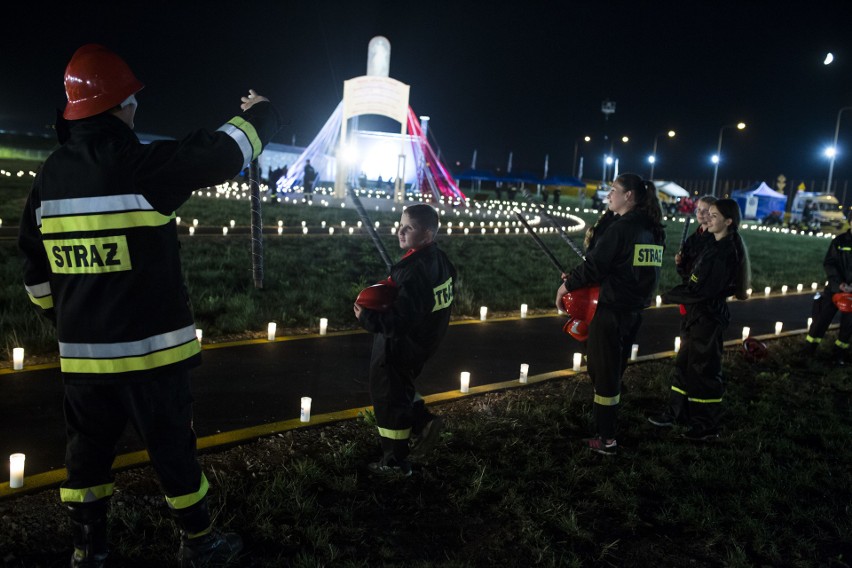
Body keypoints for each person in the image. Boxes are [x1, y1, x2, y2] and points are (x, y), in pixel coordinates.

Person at [17, 44, 281, 566]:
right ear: (119, 106)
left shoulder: (47, 179)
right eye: (133, 99)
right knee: (172, 453)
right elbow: (222, 154)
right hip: (151, 360)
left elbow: (34, 275)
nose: (137, 107)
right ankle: (200, 543)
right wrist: (262, 114)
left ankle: (88, 550)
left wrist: (72, 321)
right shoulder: (140, 166)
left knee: (86, 457)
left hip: (83, 362)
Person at [555, 173, 666, 455]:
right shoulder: (652, 227)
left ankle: (606, 439)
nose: (608, 195)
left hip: (610, 312)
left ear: (629, 196)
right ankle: (611, 420)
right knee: (613, 370)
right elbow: (629, 270)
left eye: (613, 190)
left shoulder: (622, 228)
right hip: (632, 312)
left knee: (604, 374)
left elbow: (595, 266)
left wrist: (566, 286)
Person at [354, 204, 456, 476]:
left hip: (400, 344)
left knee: (388, 398)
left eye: (408, 227)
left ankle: (395, 462)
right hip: (424, 342)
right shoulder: (440, 260)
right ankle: (423, 423)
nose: (399, 231)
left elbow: (401, 321)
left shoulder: (414, 271)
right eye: (400, 224)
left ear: (426, 233)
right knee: (400, 387)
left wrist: (368, 318)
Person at [649, 199, 751, 440]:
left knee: (704, 370)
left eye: (714, 215)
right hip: (697, 315)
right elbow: (695, 278)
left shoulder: (723, 251)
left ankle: (706, 426)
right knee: (685, 364)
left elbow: (703, 290)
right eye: (707, 213)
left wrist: (667, 295)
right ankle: (680, 413)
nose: (707, 218)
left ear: (728, 221)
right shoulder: (713, 244)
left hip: (707, 316)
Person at [801, 216, 852, 365]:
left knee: (848, 325)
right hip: (834, 289)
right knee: (821, 319)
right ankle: (809, 349)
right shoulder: (839, 241)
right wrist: (840, 284)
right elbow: (829, 263)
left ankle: (839, 354)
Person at [675, 195, 718, 282]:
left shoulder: (716, 238)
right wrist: (679, 262)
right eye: (698, 209)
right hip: (690, 287)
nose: (700, 213)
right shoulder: (692, 238)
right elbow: (684, 271)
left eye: (705, 211)